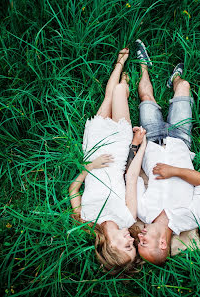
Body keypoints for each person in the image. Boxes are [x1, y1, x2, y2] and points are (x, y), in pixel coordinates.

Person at [68, 48, 147, 274]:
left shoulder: (86, 221)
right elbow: (130, 179)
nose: (130, 240)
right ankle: (124, 81)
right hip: (119, 151)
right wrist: (138, 143)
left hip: (94, 152)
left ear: (110, 247)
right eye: (133, 245)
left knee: (108, 97)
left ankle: (120, 63)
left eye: (126, 245)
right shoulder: (128, 217)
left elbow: (73, 189)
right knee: (120, 91)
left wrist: (89, 168)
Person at [134, 39, 200, 265]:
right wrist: (175, 171)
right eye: (143, 242)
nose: (140, 237)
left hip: (152, 140)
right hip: (180, 141)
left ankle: (143, 66)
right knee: (185, 85)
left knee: (146, 99)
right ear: (162, 244)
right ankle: (174, 79)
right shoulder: (192, 218)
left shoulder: (144, 213)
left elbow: (136, 179)